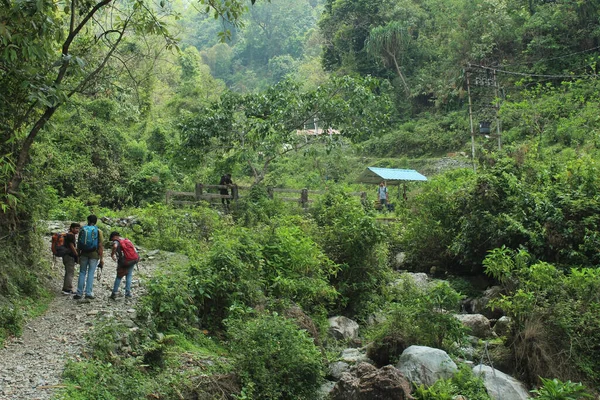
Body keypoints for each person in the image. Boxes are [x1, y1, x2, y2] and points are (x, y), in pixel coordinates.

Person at [74, 215, 104, 300]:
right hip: (94, 254)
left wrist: (78, 255)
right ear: (96, 221)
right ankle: (88, 293)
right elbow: (100, 246)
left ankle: (79, 293)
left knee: (82, 272)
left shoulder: (83, 230)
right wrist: (101, 259)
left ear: (88, 220)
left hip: (83, 253)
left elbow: (79, 244)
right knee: (91, 273)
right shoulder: (98, 231)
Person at [109, 232, 138, 300]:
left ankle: (114, 293)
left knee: (119, 276)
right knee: (129, 275)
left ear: (114, 236)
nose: (112, 240)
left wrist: (112, 254)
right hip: (132, 259)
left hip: (124, 261)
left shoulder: (116, 241)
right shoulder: (125, 239)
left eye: (112, 239)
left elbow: (115, 246)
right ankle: (128, 293)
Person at [61, 223, 80, 295]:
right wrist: (77, 255)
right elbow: (72, 246)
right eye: (76, 228)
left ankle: (67, 287)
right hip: (69, 256)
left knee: (68, 271)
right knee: (70, 272)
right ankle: (67, 289)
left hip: (66, 256)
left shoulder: (68, 235)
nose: (77, 230)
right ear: (71, 228)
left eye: (78, 228)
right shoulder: (71, 236)